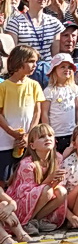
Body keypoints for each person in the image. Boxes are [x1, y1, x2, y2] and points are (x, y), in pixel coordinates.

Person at [0, 47, 45, 184]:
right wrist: (11, 131)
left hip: (27, 142)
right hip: (5, 142)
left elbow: (37, 112)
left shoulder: (34, 85)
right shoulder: (3, 87)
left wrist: (28, 135)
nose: (34, 65)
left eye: (36, 62)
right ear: (18, 61)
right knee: (6, 178)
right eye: (31, 61)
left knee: (27, 177)